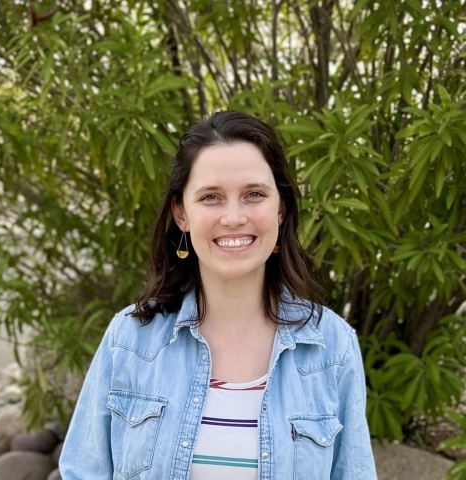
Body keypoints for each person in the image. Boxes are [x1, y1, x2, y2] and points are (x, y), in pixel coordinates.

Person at [59, 111, 377, 479]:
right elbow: (83, 472)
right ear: (182, 214)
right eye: (211, 197)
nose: (233, 217)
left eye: (254, 194)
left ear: (280, 209)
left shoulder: (332, 346)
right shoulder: (129, 340)